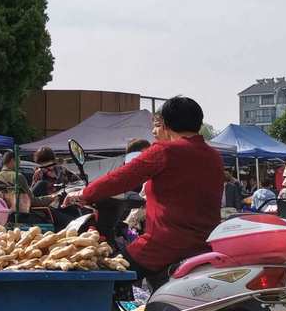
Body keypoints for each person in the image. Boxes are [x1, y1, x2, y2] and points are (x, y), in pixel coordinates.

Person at [68, 96, 223, 289]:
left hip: (165, 245)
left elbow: (121, 178)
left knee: (108, 278)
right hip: (205, 242)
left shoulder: (165, 151)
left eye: (157, 125)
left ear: (166, 123)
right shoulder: (214, 155)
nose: (153, 131)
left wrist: (83, 194)